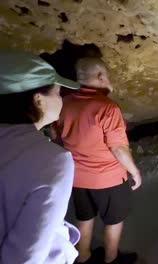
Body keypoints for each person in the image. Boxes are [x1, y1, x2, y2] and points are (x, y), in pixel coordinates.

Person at [53, 57, 142, 264]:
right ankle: (111, 259)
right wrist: (134, 171)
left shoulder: (64, 103)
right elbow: (117, 147)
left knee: (84, 218)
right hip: (108, 179)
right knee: (113, 221)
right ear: (101, 76)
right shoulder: (107, 107)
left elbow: (58, 140)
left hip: (78, 178)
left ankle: (82, 257)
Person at [0, 50, 81, 263]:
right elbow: (27, 256)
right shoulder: (53, 160)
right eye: (57, 92)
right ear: (38, 100)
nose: (61, 99)